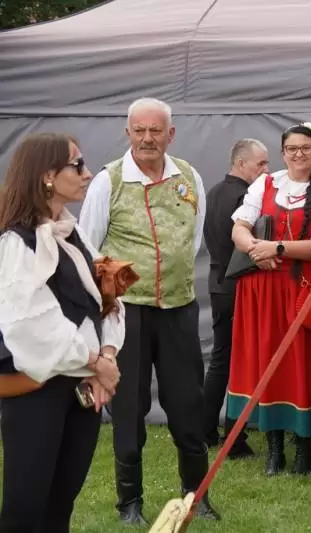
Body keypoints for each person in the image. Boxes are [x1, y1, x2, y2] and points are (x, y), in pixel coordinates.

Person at [79, 98, 219, 524]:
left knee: (188, 403)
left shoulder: (188, 176)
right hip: (126, 315)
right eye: (139, 130)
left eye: (155, 131)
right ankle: (130, 503)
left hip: (178, 307)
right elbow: (88, 246)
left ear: (170, 134)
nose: (146, 139)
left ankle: (196, 497)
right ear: (128, 133)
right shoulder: (108, 181)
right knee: (128, 406)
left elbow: (193, 238)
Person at [0, 133, 123, 532]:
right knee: (25, 507)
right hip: (37, 388)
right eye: (78, 165)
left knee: (60, 502)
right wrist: (95, 362)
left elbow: (106, 299)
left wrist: (106, 355)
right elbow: (29, 323)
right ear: (47, 175)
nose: (87, 174)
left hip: (82, 385)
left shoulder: (72, 233)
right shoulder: (16, 241)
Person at [228, 122, 311, 477]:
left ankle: (304, 447)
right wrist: (255, 250)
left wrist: (276, 247)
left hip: (302, 289)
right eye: (292, 148)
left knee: (302, 365)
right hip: (262, 289)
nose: (299, 154)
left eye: (306, 148)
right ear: (282, 153)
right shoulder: (266, 183)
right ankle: (274, 448)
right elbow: (239, 226)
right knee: (267, 363)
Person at [201, 138, 268, 458]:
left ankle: (204, 429)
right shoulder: (246, 198)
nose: (266, 170)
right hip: (240, 286)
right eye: (261, 164)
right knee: (241, 363)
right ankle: (234, 439)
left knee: (220, 361)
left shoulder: (213, 192)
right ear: (241, 164)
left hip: (218, 284)